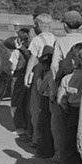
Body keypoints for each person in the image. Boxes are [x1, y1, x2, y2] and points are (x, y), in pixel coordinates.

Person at [53, 41, 82, 164]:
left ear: (75, 60)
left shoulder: (67, 79)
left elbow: (60, 100)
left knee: (72, 147)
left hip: (73, 113)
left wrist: (66, 109)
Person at [25, 13, 56, 153]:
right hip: (51, 74)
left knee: (35, 107)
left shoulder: (37, 39)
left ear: (38, 25)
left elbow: (33, 58)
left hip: (39, 72)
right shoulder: (55, 38)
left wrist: (27, 74)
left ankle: (36, 138)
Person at [8, 27, 32, 135]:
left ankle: (19, 127)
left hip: (18, 77)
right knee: (26, 102)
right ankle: (27, 126)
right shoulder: (31, 50)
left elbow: (13, 66)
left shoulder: (16, 52)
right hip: (28, 77)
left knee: (16, 103)